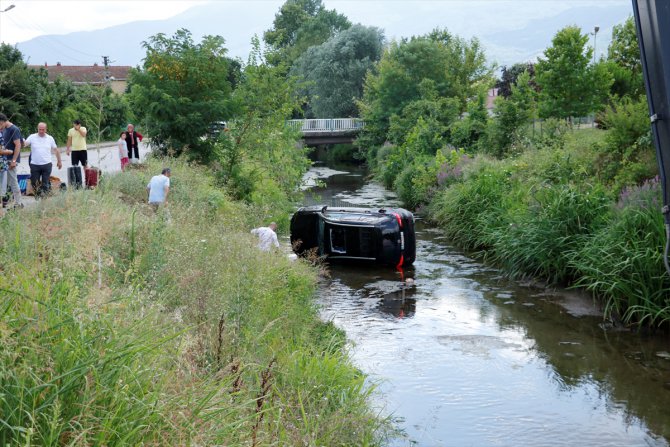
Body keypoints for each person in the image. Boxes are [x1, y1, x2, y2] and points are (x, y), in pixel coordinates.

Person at [23, 122, 62, 198]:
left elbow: (56, 150)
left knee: (45, 183)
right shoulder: (32, 137)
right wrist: (22, 141)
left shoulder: (50, 138)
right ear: (37, 129)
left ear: (46, 129)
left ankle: (44, 198)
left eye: (43, 129)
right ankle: (38, 195)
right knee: (34, 182)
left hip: (47, 164)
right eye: (39, 129)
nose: (41, 131)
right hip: (35, 164)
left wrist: (59, 161)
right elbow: (25, 144)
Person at [0, 113, 24, 208]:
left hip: (11, 159)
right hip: (4, 159)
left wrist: (14, 160)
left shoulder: (14, 129)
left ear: (2, 121)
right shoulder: (4, 129)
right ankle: (7, 202)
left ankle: (19, 203)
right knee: (6, 183)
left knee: (13, 181)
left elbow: (18, 145)